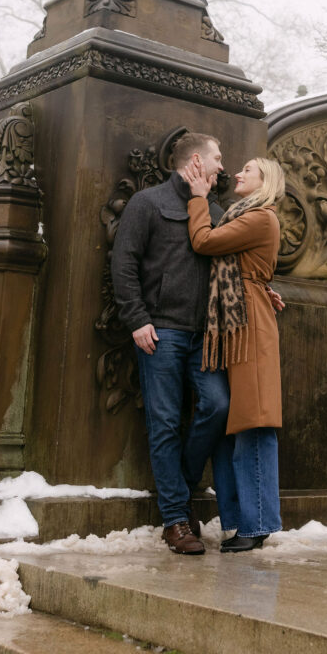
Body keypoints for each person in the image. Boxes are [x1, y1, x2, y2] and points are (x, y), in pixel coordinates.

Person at [111, 132, 230, 555]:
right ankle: (176, 520)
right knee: (162, 422)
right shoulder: (147, 202)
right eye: (217, 158)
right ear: (195, 160)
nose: (222, 166)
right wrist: (137, 319)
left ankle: (178, 481)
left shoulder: (214, 210)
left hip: (204, 336)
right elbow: (122, 262)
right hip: (160, 331)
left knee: (217, 406)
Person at [182, 155, 285, 552]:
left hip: (249, 327)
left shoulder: (260, 217)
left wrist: (197, 197)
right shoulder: (247, 215)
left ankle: (257, 524)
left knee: (254, 423)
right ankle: (242, 522)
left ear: (265, 182)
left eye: (247, 171)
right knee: (234, 427)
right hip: (235, 324)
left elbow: (204, 241)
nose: (237, 174)